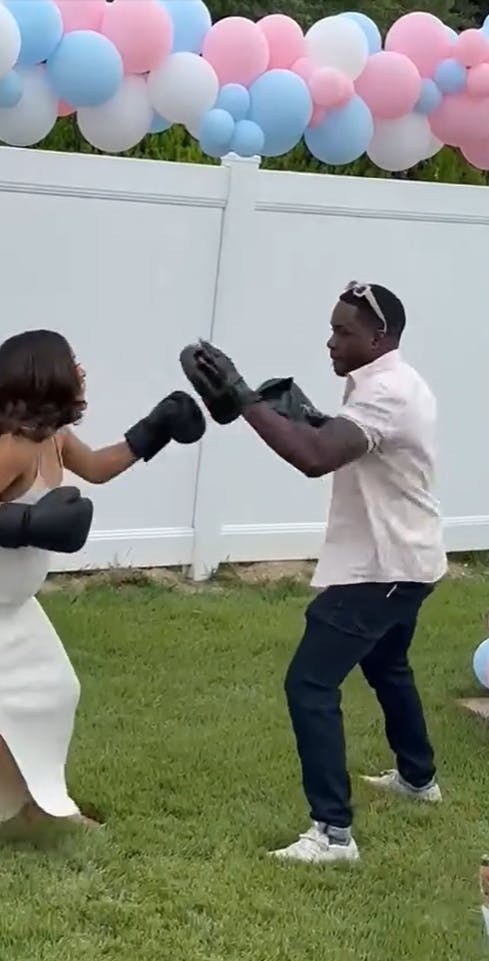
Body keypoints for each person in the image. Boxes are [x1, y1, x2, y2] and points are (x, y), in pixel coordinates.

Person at [0, 329, 205, 881]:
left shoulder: (53, 438)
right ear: (47, 374)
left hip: (7, 602)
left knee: (55, 691)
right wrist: (23, 521)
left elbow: (96, 467)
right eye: (72, 360)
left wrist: (154, 431)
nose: (81, 367)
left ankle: (26, 810)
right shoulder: (14, 448)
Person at [180, 282, 446, 864]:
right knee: (387, 664)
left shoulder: (386, 393)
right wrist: (289, 411)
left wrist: (244, 398)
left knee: (310, 683)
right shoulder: (390, 382)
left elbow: (315, 456)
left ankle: (333, 834)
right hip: (412, 560)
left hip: (383, 568)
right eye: (332, 328)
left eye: (343, 332)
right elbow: (339, 439)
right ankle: (418, 780)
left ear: (379, 337)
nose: (330, 341)